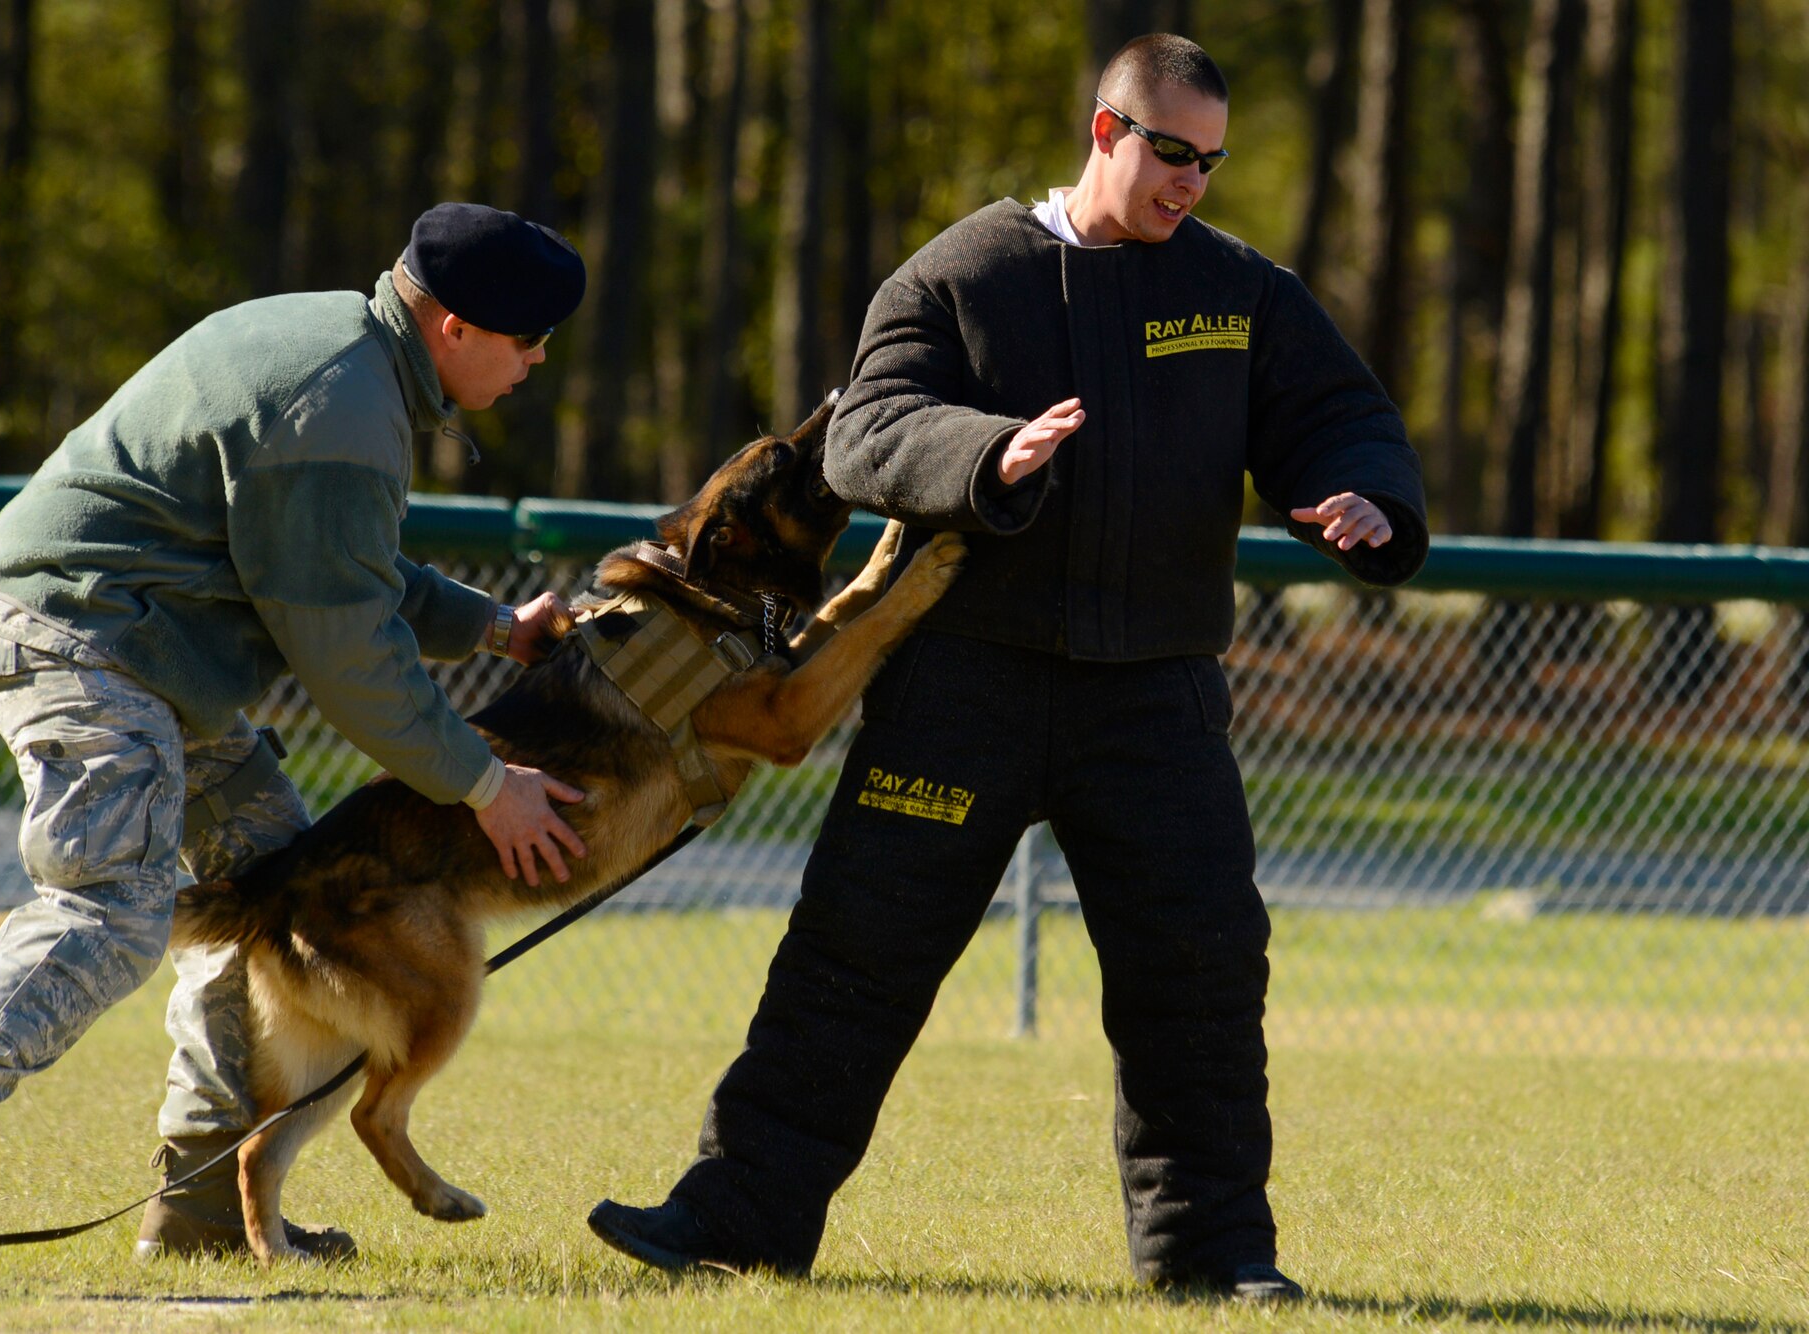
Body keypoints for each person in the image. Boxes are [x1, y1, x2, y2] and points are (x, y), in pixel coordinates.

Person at [587, 35, 1427, 1302]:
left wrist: (1361, 495)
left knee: (1195, 970)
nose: (1190, 182)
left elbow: (1337, 418)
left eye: (1210, 161)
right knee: (851, 957)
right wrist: (987, 455)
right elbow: (866, 430)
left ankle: (1213, 1256)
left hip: (1155, 697)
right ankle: (735, 1217)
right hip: (960, 688)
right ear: (1105, 132)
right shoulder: (964, 270)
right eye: (1170, 152)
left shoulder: (1239, 292)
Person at [0, 203, 593, 1294]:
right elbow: (349, 656)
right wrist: (484, 783)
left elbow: (344, 573)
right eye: (527, 340)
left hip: (146, 649)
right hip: (80, 636)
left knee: (285, 888)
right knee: (113, 903)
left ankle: (200, 1202)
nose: (538, 360)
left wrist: (494, 629)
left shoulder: (346, 355)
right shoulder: (342, 403)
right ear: (456, 325)